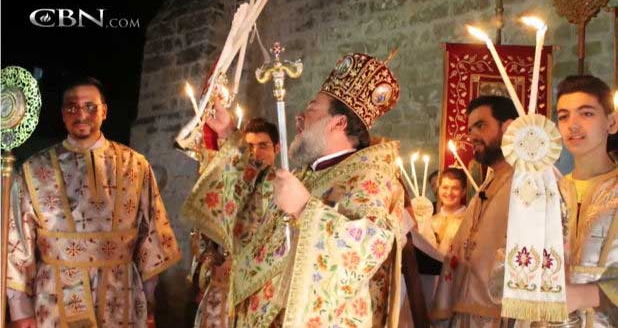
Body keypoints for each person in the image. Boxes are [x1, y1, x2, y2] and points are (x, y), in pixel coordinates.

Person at [183, 52, 405, 327]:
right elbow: (258, 189)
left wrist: (304, 209)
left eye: (312, 108)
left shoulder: (371, 178)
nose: (300, 117)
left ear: (338, 123)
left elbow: (365, 250)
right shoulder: (310, 172)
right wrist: (228, 132)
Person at [6, 77, 182, 328]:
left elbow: (152, 235)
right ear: (62, 114)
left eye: (90, 106)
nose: (81, 114)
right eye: (72, 107)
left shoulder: (136, 165)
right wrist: (20, 309)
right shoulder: (34, 169)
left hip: (121, 296)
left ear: (105, 111)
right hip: (55, 299)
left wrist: (149, 298)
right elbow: (17, 240)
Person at [431, 95, 518, 327]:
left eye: (481, 125)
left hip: (502, 315)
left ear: (508, 127)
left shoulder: (527, 183)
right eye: (470, 129)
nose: (472, 136)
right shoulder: (487, 183)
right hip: (467, 312)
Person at [188, 117, 280, 325]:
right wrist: (213, 263)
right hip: (220, 294)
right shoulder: (226, 186)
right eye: (249, 147)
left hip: (260, 295)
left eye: (263, 146)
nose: (255, 153)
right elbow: (203, 237)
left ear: (277, 148)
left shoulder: (282, 188)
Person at [555, 75, 618, 326]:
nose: (573, 125)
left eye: (587, 114)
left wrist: (588, 294)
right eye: (563, 116)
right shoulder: (546, 194)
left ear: (612, 122)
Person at [432, 167, 467, 255]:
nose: (449, 193)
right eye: (445, 187)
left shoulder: (469, 221)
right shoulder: (430, 222)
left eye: (455, 188)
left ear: (463, 192)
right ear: (439, 189)